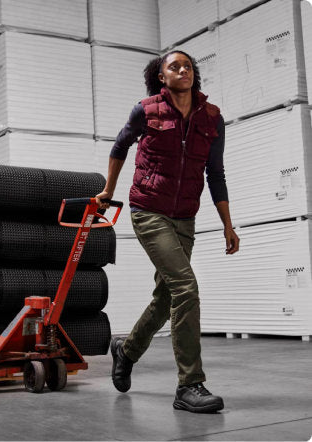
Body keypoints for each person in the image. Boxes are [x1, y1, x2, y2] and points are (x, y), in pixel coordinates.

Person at [95, 50, 240, 413]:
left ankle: (126, 350)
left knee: (167, 297)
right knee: (186, 288)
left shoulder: (212, 118)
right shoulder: (146, 110)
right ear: (162, 77)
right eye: (174, 66)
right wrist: (108, 191)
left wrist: (227, 225)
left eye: (188, 66)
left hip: (185, 217)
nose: (182, 70)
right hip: (149, 211)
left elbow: (216, 174)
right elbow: (119, 146)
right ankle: (189, 385)